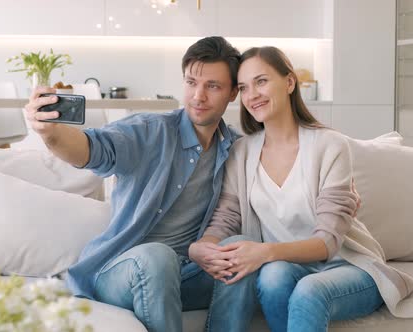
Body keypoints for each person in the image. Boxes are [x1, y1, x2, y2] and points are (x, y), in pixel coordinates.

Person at [24, 36, 258, 332]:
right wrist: (51, 133)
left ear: (233, 93)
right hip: (123, 272)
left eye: (212, 86)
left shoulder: (235, 149)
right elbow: (94, 149)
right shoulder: (148, 131)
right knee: (158, 256)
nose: (198, 96)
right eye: (191, 82)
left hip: (187, 274)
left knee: (239, 250)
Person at [197, 46, 413, 332]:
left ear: (289, 82)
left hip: (349, 266)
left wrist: (264, 252)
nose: (252, 95)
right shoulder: (241, 152)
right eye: (243, 87)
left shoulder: (329, 145)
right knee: (272, 277)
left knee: (309, 290)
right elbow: (226, 218)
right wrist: (202, 248)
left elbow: (327, 243)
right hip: (288, 267)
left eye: (261, 81)